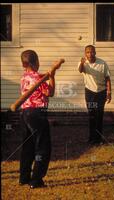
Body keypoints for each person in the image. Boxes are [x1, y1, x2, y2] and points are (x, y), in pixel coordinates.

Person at [19, 49, 63, 189]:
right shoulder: (38, 78)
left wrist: (51, 72)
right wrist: (53, 78)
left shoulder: (24, 77)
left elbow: (41, 76)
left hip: (25, 113)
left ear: (23, 64)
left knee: (28, 146)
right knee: (42, 146)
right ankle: (36, 180)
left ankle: (24, 178)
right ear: (35, 62)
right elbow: (50, 92)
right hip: (38, 114)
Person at [78, 45, 111, 144]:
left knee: (99, 115)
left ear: (95, 52)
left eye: (92, 52)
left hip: (101, 92)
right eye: (88, 52)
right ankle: (91, 138)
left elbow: (107, 78)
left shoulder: (102, 63)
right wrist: (82, 63)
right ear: (85, 54)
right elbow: (80, 70)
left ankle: (99, 139)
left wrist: (109, 92)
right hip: (89, 92)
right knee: (91, 115)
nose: (90, 54)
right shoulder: (83, 63)